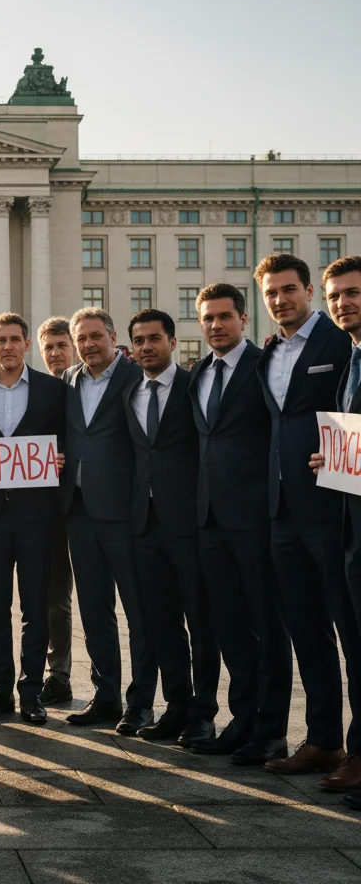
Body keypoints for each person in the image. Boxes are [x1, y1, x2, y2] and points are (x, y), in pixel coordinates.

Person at [255, 252, 359, 781]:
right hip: (282, 513)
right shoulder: (268, 352)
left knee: (351, 630)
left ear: (308, 292)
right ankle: (323, 740)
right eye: (271, 292)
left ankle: (359, 748)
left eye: (289, 289)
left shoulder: (341, 343)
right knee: (305, 630)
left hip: (333, 508)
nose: (280, 300)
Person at [190, 283, 292, 763]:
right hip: (210, 521)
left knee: (267, 629)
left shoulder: (264, 365)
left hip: (255, 518)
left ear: (244, 319)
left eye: (224, 317)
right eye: (208, 318)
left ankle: (271, 731)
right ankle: (242, 719)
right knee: (229, 626)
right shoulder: (200, 373)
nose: (215, 325)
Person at [122, 308, 220, 748]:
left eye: (154, 339)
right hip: (144, 526)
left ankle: (204, 713)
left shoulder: (193, 386)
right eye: (139, 340)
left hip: (187, 523)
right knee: (161, 623)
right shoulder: (130, 393)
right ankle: (176, 706)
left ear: (173, 342)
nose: (146, 347)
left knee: (200, 622)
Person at [0, 313, 67, 722]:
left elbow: (67, 436)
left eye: (14, 339)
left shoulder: (51, 389)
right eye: (0, 340)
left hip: (37, 514)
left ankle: (31, 692)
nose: (7, 346)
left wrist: (61, 459)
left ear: (27, 344)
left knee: (35, 606)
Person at [60, 307, 156, 735]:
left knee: (139, 610)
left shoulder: (135, 377)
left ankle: (141, 703)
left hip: (124, 513)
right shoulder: (69, 380)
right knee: (94, 609)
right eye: (81, 339)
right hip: (79, 511)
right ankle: (105, 696)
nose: (88, 345)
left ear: (114, 338)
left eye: (96, 336)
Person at [308, 256, 361, 801]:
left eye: (352, 293)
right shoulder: (351, 361)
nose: (343, 303)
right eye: (336, 296)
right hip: (349, 520)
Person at [36, 315, 77, 704]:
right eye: (48, 347)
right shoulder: (42, 390)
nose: (55, 353)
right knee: (55, 596)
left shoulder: (87, 384)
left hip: (91, 505)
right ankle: (58, 674)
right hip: (48, 507)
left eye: (62, 345)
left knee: (99, 599)